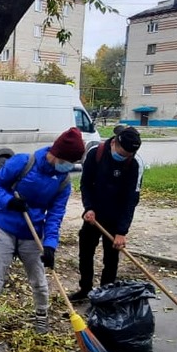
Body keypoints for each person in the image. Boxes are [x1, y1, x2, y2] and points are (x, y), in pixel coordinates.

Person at [0, 127, 85, 352]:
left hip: (32, 235)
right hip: (5, 230)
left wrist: (50, 246)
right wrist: (9, 202)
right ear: (56, 154)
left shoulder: (63, 182)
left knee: (40, 282)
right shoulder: (24, 163)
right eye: (67, 161)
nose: (69, 167)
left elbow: (55, 216)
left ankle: (41, 317)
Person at [68, 125, 143, 301]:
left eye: (129, 155)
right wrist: (89, 208)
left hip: (116, 219)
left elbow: (131, 200)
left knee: (111, 259)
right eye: (123, 153)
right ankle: (85, 289)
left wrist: (121, 232)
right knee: (85, 253)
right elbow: (86, 184)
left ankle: (105, 294)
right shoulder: (96, 153)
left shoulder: (135, 163)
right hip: (93, 216)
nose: (125, 157)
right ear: (115, 143)